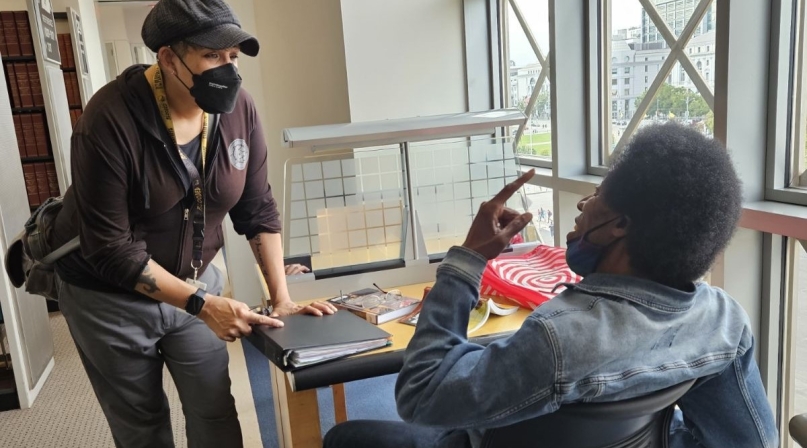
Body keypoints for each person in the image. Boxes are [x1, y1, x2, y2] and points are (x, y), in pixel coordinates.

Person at [323, 122, 778, 448]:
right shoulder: (723, 320)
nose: (582, 205)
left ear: (620, 225)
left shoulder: (556, 335)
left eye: (597, 196)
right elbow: (749, 439)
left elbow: (420, 395)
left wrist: (466, 262)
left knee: (346, 436)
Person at [49, 1, 336, 447]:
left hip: (195, 282)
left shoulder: (239, 109)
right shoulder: (108, 120)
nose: (228, 70)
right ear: (167, 57)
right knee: (143, 426)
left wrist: (281, 298)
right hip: (108, 298)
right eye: (212, 56)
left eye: (233, 57)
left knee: (215, 410)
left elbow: (257, 208)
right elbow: (111, 249)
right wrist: (203, 306)